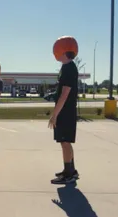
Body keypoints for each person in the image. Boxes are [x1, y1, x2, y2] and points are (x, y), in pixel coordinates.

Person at [48, 51, 79, 184]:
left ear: (65, 53)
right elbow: (63, 90)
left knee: (65, 142)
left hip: (65, 112)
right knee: (65, 142)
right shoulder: (66, 67)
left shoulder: (69, 68)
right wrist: (55, 94)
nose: (56, 54)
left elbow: (65, 94)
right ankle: (71, 170)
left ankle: (68, 174)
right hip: (65, 111)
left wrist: (54, 115)